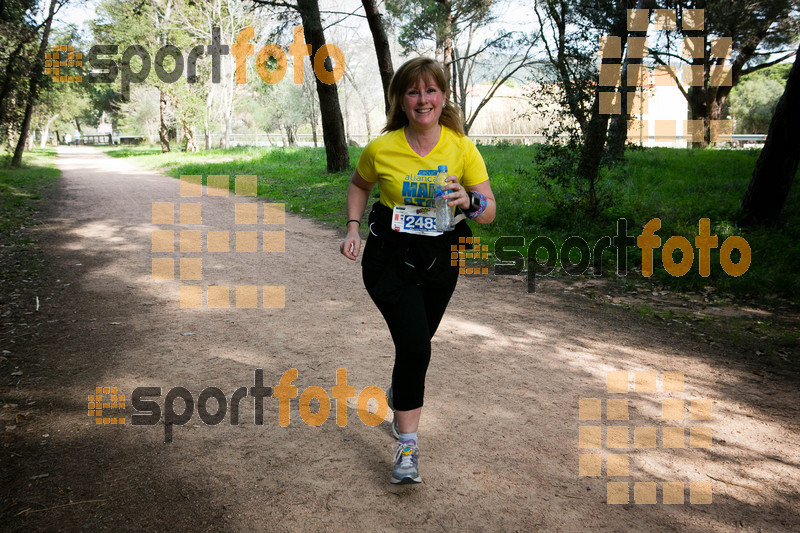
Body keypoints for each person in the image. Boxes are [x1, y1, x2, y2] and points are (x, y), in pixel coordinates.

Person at [339, 57, 496, 484]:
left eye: (430, 90)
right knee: (416, 347)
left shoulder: (462, 148)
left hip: (443, 257)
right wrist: (353, 227)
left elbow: (489, 212)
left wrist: (469, 200)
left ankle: (399, 391)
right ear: (401, 100)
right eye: (413, 91)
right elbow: (359, 184)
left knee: (415, 344)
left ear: (443, 97)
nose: (422, 99)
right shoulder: (382, 148)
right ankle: (407, 448)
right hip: (390, 257)